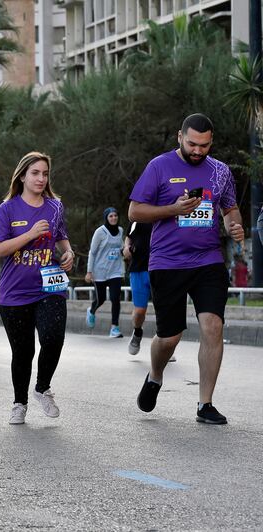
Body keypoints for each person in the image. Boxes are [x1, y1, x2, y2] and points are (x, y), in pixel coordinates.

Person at [130, 113, 244, 425]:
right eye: (192, 143)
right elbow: (135, 210)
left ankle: (205, 403)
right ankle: (155, 376)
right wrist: (172, 209)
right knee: (170, 336)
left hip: (208, 260)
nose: (198, 150)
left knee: (213, 327)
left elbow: (229, 208)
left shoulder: (220, 171)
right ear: (180, 137)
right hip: (168, 262)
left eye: (204, 145)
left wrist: (235, 226)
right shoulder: (159, 166)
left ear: (211, 142)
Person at [0, 152, 74, 425]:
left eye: (45, 173)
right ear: (23, 176)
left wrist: (69, 253)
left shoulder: (55, 207)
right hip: (14, 292)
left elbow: (61, 236)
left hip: (49, 286)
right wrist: (29, 234)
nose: (41, 178)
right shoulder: (8, 209)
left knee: (53, 337)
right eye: (35, 173)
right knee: (23, 352)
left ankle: (42, 387)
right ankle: (19, 402)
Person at [85, 208, 125, 338]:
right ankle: (91, 311)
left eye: (115, 215)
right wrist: (89, 271)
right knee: (101, 299)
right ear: (106, 218)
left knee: (115, 299)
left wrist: (127, 251)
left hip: (115, 270)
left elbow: (121, 248)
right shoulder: (100, 232)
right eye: (111, 216)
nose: (114, 218)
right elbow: (92, 252)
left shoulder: (120, 231)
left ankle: (114, 328)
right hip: (100, 271)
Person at [123, 222, 153, 356]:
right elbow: (129, 236)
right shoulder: (139, 216)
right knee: (139, 311)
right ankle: (137, 331)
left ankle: (164, 344)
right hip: (138, 268)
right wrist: (126, 247)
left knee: (164, 309)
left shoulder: (167, 211)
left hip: (161, 267)